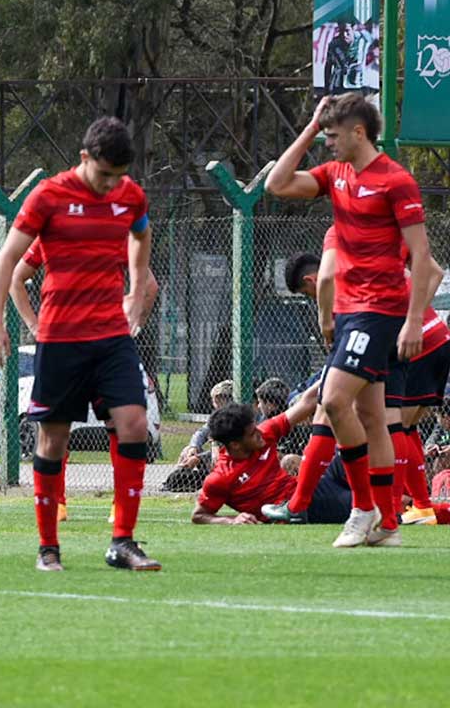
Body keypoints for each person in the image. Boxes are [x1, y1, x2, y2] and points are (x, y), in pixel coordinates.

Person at [0, 116, 159, 572]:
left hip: (112, 337)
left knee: (134, 423)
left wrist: (137, 290)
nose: (110, 185)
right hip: (61, 337)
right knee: (54, 438)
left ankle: (123, 540)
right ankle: (48, 548)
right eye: (104, 175)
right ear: (84, 159)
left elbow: (142, 234)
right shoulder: (50, 196)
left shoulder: (129, 195)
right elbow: (8, 259)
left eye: (118, 176)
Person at [265, 93, 437, 548]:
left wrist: (414, 320)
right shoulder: (336, 174)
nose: (328, 144)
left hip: (378, 311)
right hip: (350, 312)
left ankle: (363, 508)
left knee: (333, 400)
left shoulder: (395, 181)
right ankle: (388, 524)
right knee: (372, 417)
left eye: (334, 135)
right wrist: (311, 126)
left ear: (359, 132)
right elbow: (277, 184)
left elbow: (422, 258)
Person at [191, 387, 354, 526]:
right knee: (368, 504)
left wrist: (334, 369)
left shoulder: (264, 433)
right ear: (235, 444)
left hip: (312, 484)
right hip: (304, 507)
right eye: (252, 434)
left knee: (355, 449)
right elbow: (199, 515)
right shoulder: (220, 478)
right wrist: (231, 520)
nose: (259, 434)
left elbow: (308, 401)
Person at [161, 380, 234, 493]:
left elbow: (229, 451)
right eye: (216, 399)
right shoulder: (217, 416)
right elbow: (201, 432)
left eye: (223, 398)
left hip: (232, 464)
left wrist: (199, 458)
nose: (217, 403)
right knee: (188, 451)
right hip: (214, 461)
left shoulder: (239, 419)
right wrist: (193, 447)